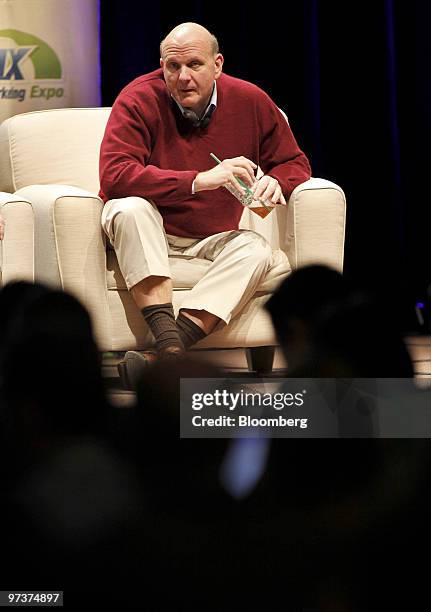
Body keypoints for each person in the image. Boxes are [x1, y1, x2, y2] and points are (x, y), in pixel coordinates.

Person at [99, 22, 311, 369]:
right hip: (148, 229)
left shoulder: (250, 100)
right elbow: (115, 176)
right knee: (130, 208)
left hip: (209, 237)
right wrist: (199, 180)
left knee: (256, 249)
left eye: (194, 65)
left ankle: (164, 354)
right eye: (173, 66)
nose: (183, 77)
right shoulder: (137, 98)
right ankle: (168, 347)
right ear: (162, 66)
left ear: (218, 65)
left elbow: (294, 161)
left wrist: (279, 181)